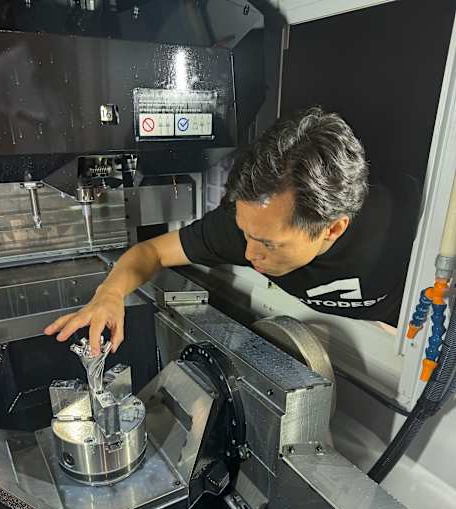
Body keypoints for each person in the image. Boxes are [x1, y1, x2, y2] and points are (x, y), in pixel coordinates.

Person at [45, 107, 406, 356]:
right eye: (246, 234)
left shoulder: (402, 238)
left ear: (332, 229)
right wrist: (110, 293)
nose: (249, 254)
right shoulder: (242, 226)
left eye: (268, 244)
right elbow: (150, 252)